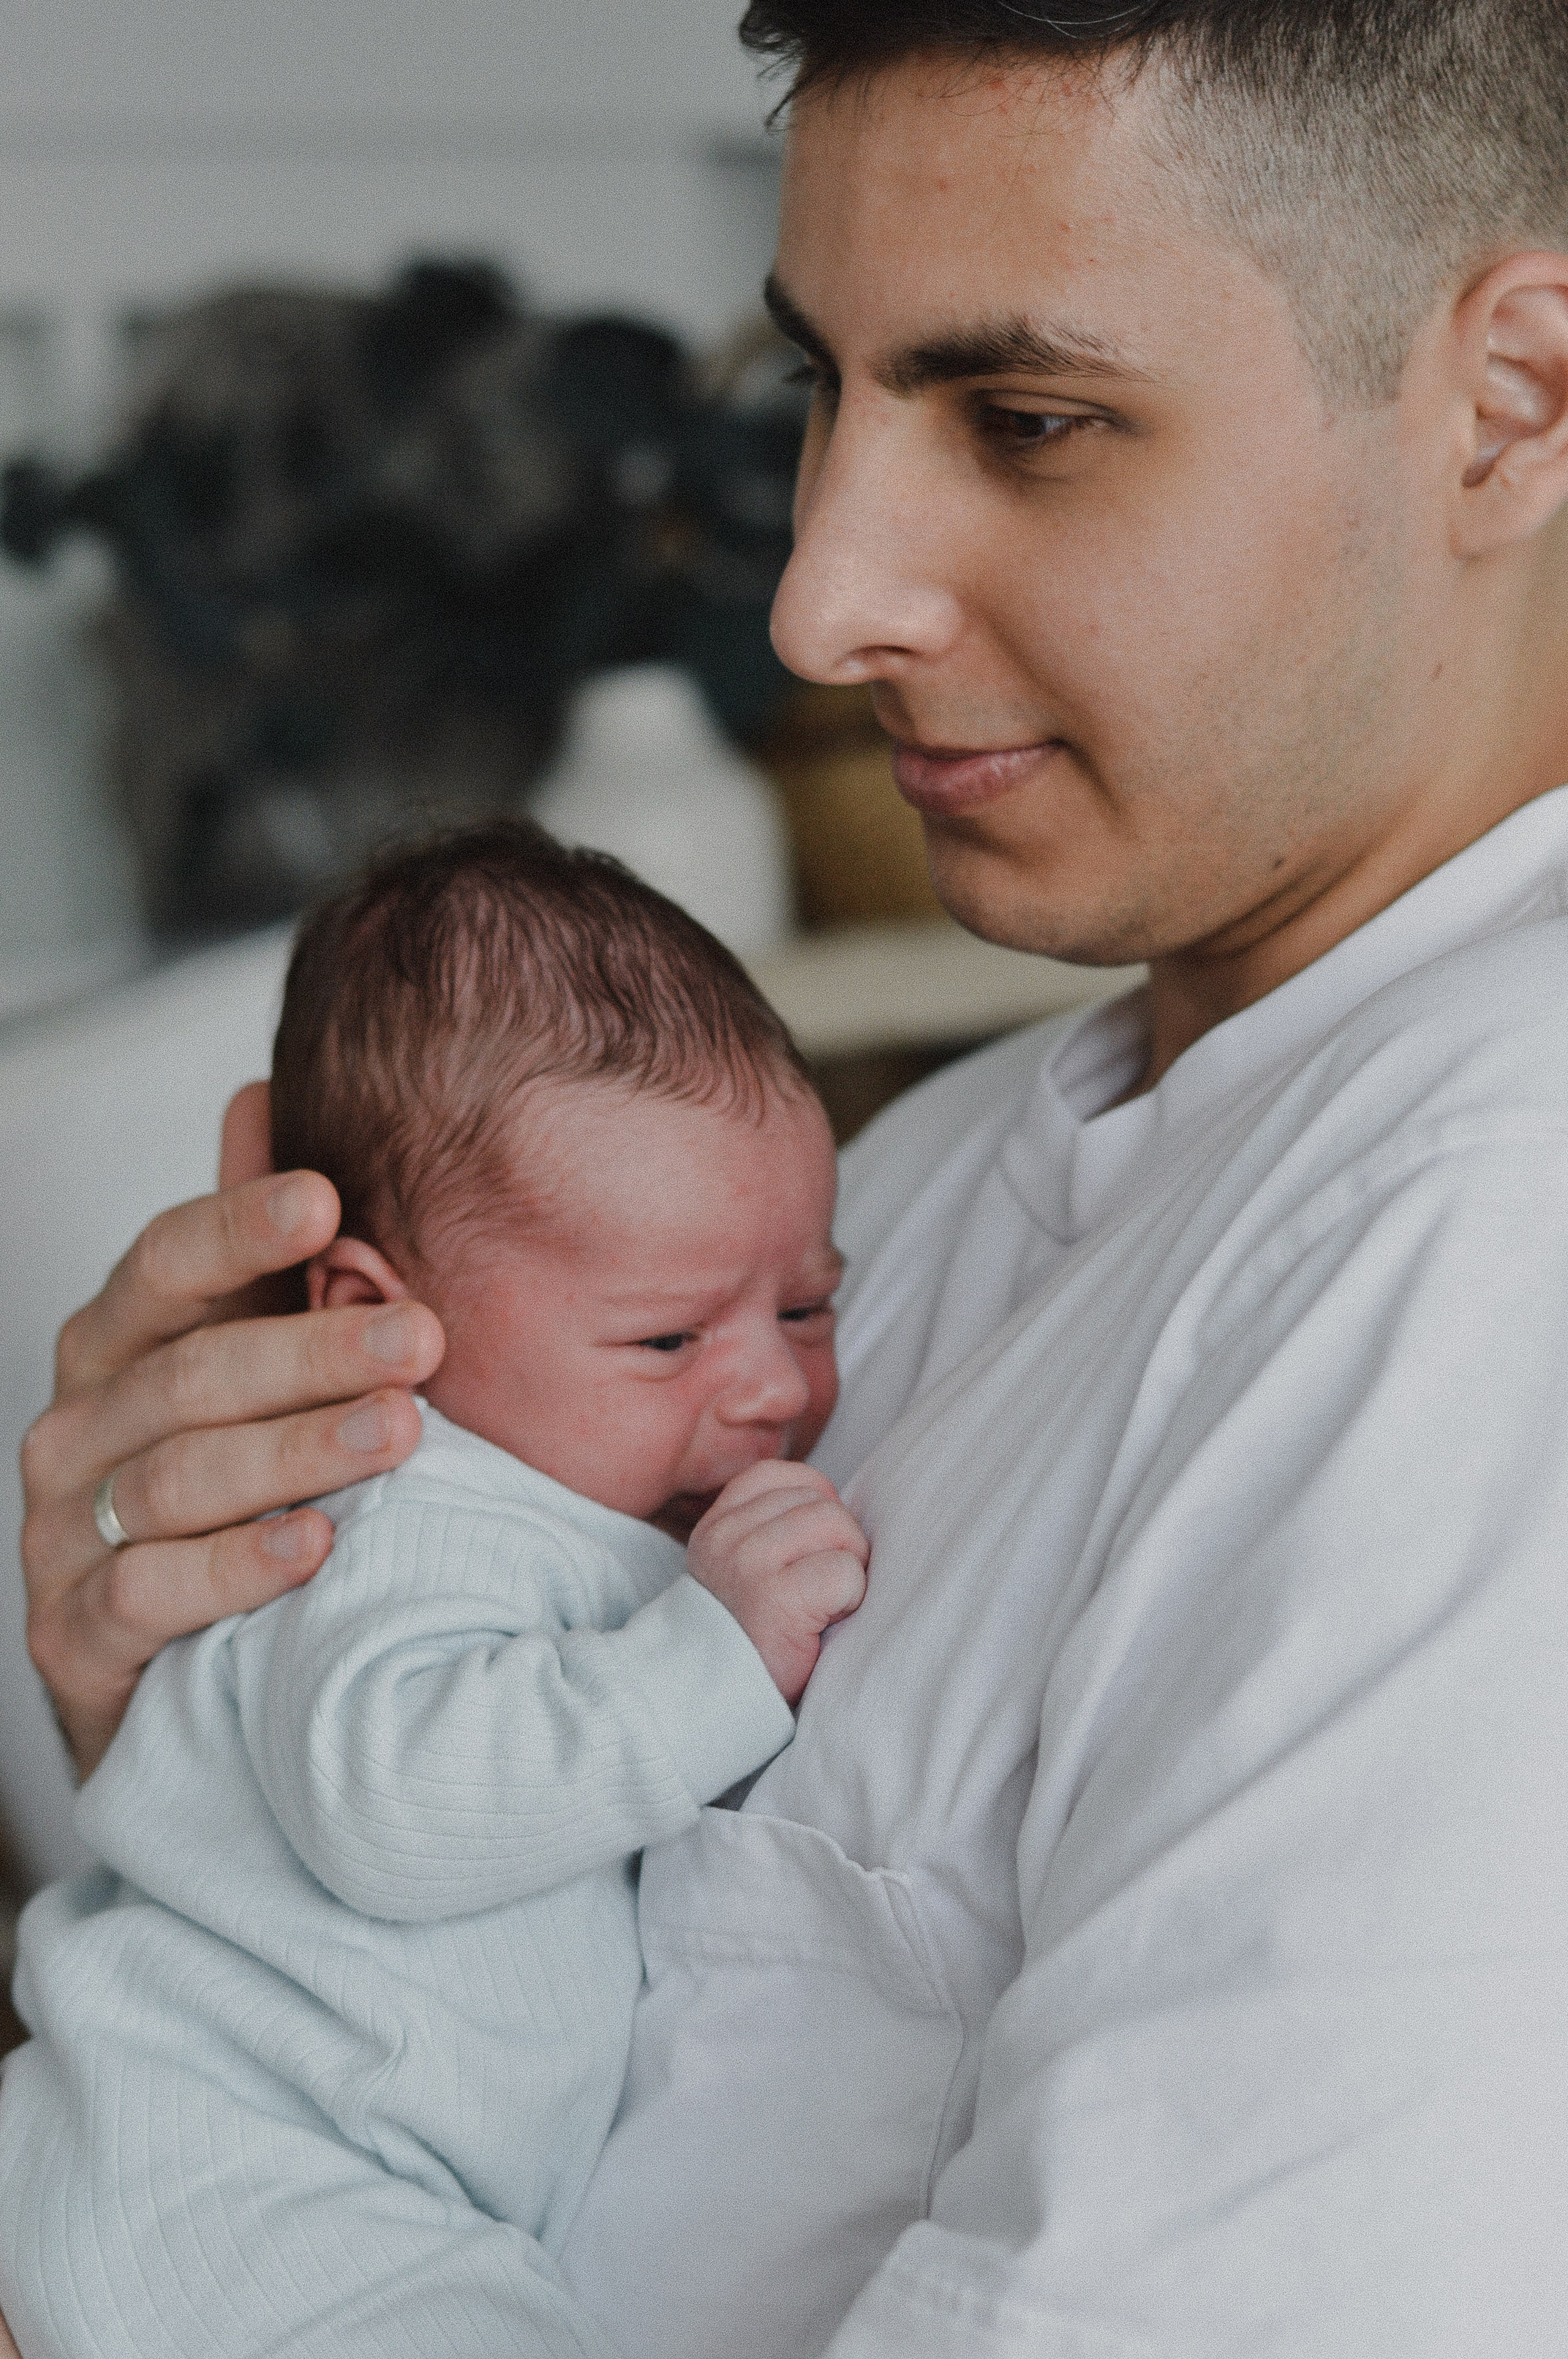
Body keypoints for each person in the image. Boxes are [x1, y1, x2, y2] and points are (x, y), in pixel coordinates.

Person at [13, 0, 1568, 2349]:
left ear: (1513, 399)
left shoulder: (1488, 1241)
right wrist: (206, 1723)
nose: (818, 603)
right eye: (822, 392)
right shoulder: (910, 1180)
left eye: (1025, 417)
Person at [0, 821, 866, 2358]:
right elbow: (389, 1802)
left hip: (317, 2188)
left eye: (804, 1305)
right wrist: (711, 1660)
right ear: (376, 1317)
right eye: (667, 1338)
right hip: (264, 2191)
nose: (769, 1387)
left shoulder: (550, 1490)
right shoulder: (414, 1510)